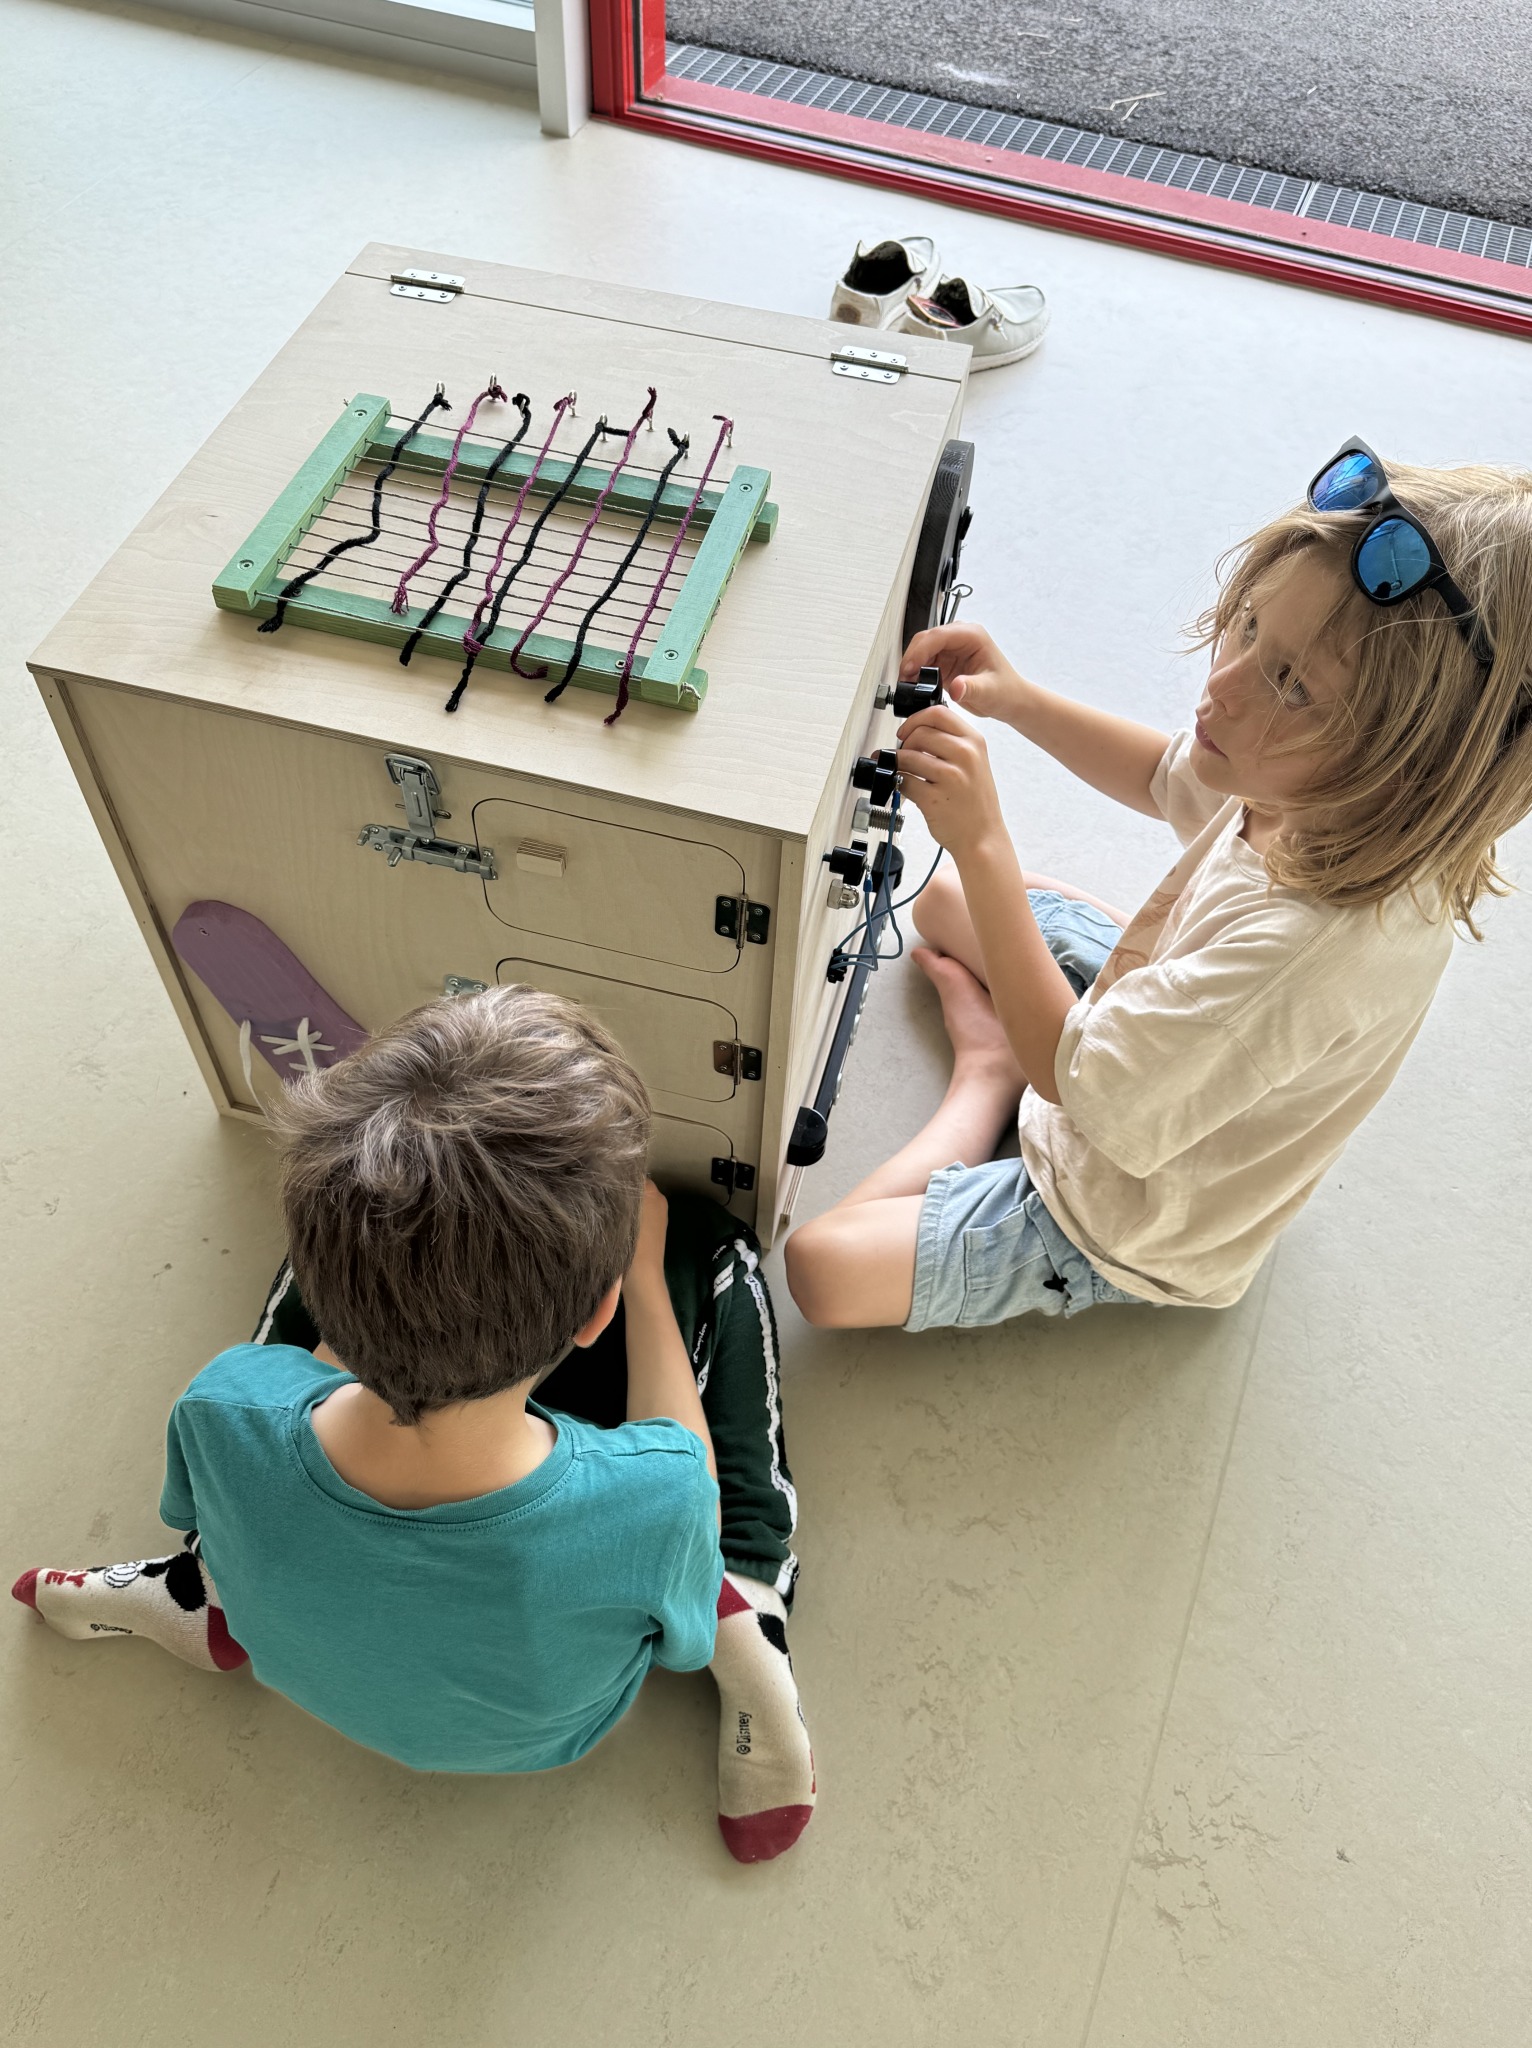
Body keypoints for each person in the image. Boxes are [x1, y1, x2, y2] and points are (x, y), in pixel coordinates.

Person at [14, 988, 814, 1863]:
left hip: (293, 1637)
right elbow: (676, 1612)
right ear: (599, 1314)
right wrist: (646, 1278)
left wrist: (376, 1294)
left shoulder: (220, 1402)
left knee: (275, 1385)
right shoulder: (660, 1498)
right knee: (722, 1252)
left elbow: (218, 1469)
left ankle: (202, 1593)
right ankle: (752, 1630)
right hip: (549, 1735)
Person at [787, 440, 1532, 1330]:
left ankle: (985, 1079)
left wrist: (984, 843)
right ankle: (1077, 1026)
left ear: (1409, 763)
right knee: (942, 903)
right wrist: (1017, 698)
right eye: (1249, 627)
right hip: (1174, 1042)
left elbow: (1073, 1082)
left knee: (821, 1269)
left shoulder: (1310, 950)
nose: (1221, 687)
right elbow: (1158, 775)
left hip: (1121, 1211)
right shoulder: (1327, 791)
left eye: (1291, 684)